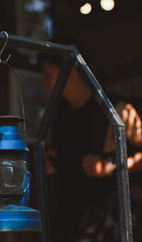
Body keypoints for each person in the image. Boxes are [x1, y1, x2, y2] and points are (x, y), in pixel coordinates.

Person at [40, 52, 142, 242]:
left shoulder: (115, 108)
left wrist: (111, 166)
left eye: (48, 75)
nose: (44, 83)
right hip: (70, 221)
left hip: (108, 226)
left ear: (69, 73)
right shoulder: (60, 113)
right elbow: (66, 156)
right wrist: (52, 161)